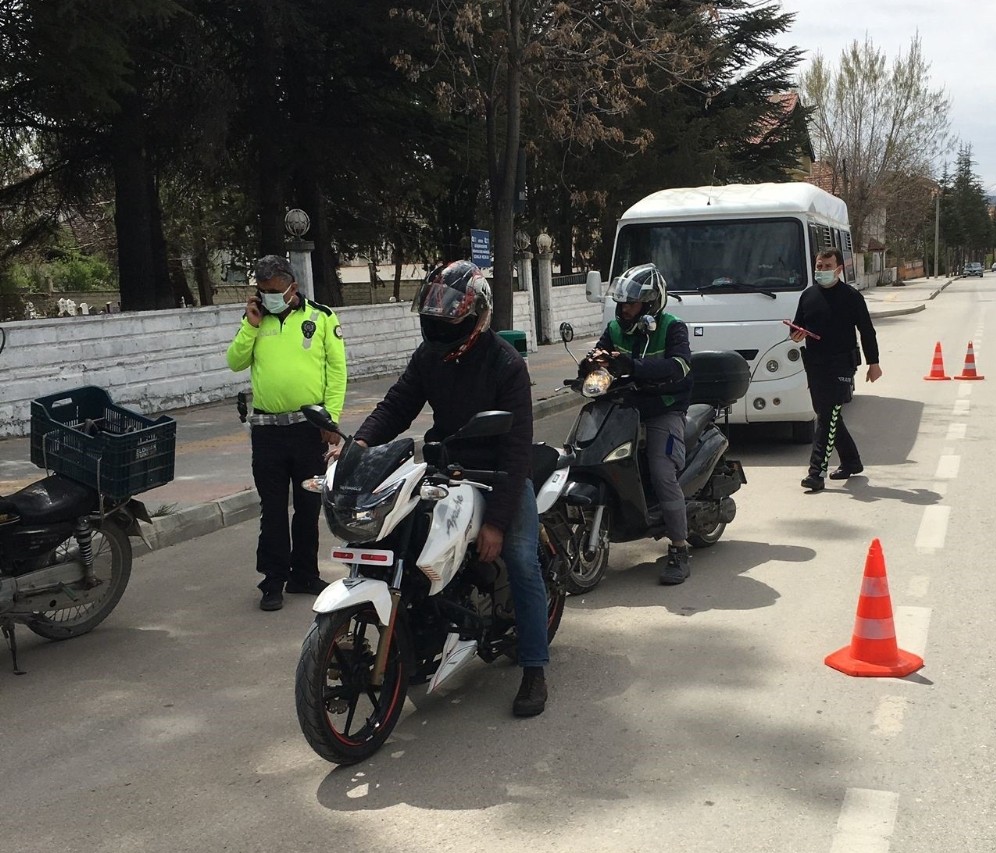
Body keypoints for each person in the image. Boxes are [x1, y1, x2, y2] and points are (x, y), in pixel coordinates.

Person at [348, 261, 551, 719]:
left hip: (501, 473)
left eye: (451, 311)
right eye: (436, 309)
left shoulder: (506, 364)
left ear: (477, 315)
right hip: (448, 465)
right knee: (407, 539)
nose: (440, 319)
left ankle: (535, 669)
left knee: (520, 562)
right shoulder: (429, 356)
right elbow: (397, 404)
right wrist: (358, 445)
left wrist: (497, 522)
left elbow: (517, 449)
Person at [226, 254, 347, 610]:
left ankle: (305, 575)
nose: (269, 297)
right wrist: (250, 325)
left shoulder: (322, 317)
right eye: (263, 291)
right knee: (273, 509)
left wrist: (332, 421)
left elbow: (337, 372)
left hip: (310, 430)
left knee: (308, 506)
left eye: (275, 290)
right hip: (268, 433)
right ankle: (273, 580)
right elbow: (234, 361)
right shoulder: (254, 320)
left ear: (293, 286)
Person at [583, 262, 693, 585]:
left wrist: (632, 365)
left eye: (630, 303)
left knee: (661, 471)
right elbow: (599, 354)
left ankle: (678, 548)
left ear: (649, 304)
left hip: (664, 410)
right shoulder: (616, 329)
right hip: (624, 409)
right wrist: (589, 366)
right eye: (621, 303)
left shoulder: (673, 327)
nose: (623, 309)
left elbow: (680, 367)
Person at [788, 247, 881, 493]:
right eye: (819, 266)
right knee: (827, 414)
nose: (822, 270)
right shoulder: (808, 296)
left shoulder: (851, 296)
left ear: (839, 269)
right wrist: (795, 335)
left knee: (827, 416)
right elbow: (797, 326)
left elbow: (867, 330)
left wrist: (874, 363)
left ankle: (816, 472)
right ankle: (852, 461)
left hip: (841, 363)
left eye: (827, 266)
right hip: (815, 364)